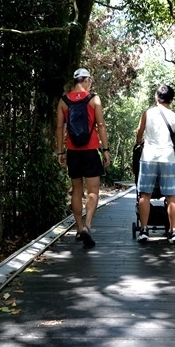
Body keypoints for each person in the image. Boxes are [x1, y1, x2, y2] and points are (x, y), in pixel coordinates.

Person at [56, 68, 112, 248]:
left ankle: (79, 229)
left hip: (72, 151)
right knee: (93, 191)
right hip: (90, 150)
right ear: (86, 80)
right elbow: (101, 125)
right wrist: (105, 150)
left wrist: (60, 152)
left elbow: (59, 128)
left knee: (76, 190)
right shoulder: (94, 99)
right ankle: (88, 225)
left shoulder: (63, 101)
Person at [134, 84, 175, 245]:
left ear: (156, 98)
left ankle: (144, 230)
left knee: (145, 194)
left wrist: (139, 141)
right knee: (171, 196)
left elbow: (139, 133)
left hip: (149, 157)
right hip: (167, 158)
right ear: (171, 100)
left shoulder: (147, 113)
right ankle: (173, 232)